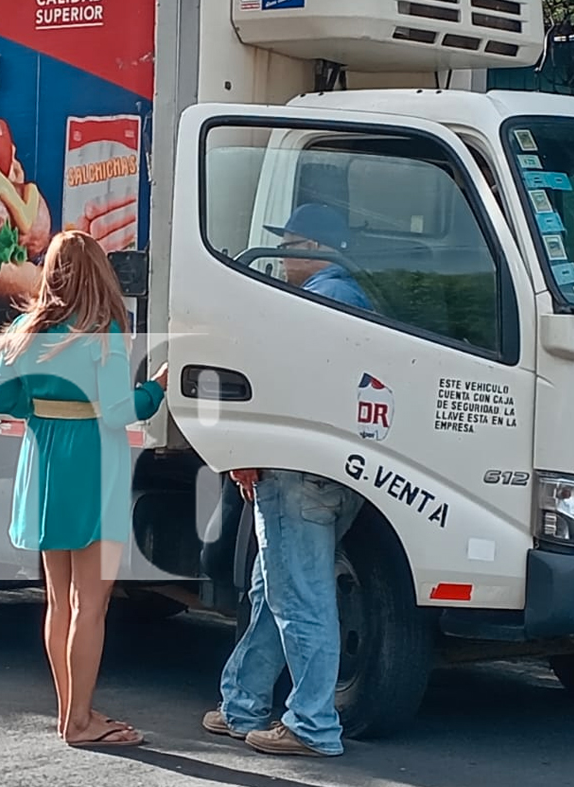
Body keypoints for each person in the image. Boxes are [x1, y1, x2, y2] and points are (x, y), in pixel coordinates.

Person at [0, 230, 168, 749]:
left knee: (58, 602)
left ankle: (71, 712)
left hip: (43, 461)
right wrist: (154, 389)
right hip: (93, 463)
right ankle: (82, 721)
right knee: (92, 602)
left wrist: (41, 410)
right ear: (99, 273)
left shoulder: (26, 329)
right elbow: (118, 411)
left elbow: (4, 399)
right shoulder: (103, 331)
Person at [202, 203, 368, 757]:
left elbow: (278, 385)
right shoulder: (350, 299)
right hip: (324, 473)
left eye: (291, 242)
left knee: (299, 599)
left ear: (316, 248)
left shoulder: (315, 301)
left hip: (295, 472)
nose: (284, 253)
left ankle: (312, 724)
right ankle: (243, 704)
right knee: (274, 590)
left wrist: (246, 447)